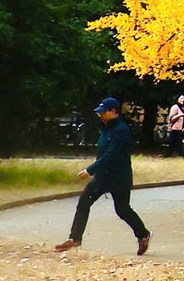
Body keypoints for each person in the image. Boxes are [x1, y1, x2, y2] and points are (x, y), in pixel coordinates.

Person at [55, 98, 151, 256]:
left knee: (122, 209)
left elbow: (111, 155)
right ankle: (75, 239)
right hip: (102, 178)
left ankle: (143, 234)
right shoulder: (106, 129)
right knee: (84, 202)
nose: (100, 115)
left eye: (103, 112)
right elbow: (103, 153)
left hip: (118, 178)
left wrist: (90, 169)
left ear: (113, 111)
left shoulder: (121, 130)